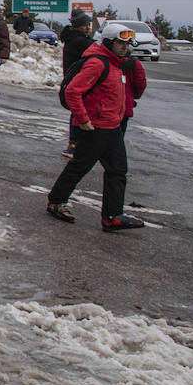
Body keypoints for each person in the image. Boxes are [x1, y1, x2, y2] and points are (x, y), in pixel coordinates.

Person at [45, 23, 145, 232]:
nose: (124, 48)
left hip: (112, 126)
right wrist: (82, 119)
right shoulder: (98, 63)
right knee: (80, 166)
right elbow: (73, 91)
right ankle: (56, 201)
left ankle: (112, 215)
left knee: (118, 170)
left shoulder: (117, 63)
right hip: (94, 127)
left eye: (126, 44)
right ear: (108, 42)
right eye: (120, 43)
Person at [59, 8, 95, 158]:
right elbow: (97, 50)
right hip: (77, 81)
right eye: (85, 25)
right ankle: (74, 145)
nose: (88, 27)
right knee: (78, 112)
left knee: (77, 112)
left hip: (73, 79)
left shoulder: (73, 38)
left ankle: (75, 144)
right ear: (78, 26)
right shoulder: (79, 41)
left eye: (89, 24)